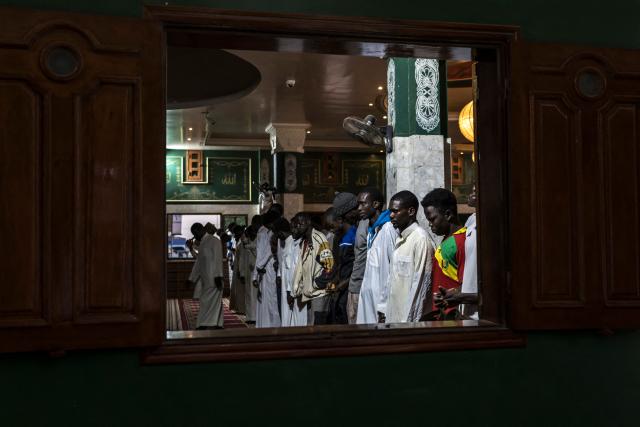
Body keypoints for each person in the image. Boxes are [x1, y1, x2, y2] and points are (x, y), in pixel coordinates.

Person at [385, 191, 432, 323]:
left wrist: (409, 324)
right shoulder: (400, 238)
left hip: (408, 322)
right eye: (390, 211)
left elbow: (421, 287)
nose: (391, 215)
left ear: (411, 211)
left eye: (395, 211)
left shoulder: (420, 240)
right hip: (394, 318)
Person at [420, 188, 466, 320]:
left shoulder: (461, 241)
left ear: (447, 214)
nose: (430, 224)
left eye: (432, 219)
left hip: (452, 315)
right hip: (441, 314)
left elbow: (465, 284)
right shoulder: (448, 239)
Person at [356, 188, 398, 324]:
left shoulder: (388, 229)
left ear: (375, 204)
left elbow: (393, 268)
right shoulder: (372, 230)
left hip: (380, 299)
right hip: (369, 296)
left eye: (363, 204)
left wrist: (384, 305)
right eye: (358, 204)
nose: (359, 208)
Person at [438, 185, 479, 319]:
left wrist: (463, 296)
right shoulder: (472, 222)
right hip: (467, 312)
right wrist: (455, 293)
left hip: (483, 315)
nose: (471, 192)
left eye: (476, 189)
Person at [290, 212, 335, 325]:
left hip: (320, 292)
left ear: (308, 223)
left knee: (319, 326)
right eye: (296, 225)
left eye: (301, 224)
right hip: (310, 293)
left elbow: (329, 266)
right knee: (312, 325)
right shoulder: (304, 242)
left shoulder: (319, 239)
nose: (298, 227)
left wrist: (316, 283)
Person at [328, 192, 359, 324]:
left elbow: (357, 266)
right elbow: (340, 264)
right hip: (342, 290)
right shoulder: (340, 238)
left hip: (351, 289)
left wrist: (341, 284)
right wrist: (335, 281)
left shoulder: (355, 234)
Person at [186, 222, 224, 329]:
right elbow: (198, 263)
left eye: (195, 232)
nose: (195, 235)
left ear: (201, 230)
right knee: (212, 303)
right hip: (206, 279)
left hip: (215, 278)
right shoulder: (203, 243)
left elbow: (218, 260)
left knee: (208, 303)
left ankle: (202, 324)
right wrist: (191, 279)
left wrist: (218, 276)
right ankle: (218, 324)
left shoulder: (214, 241)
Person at [274, 218, 307, 326]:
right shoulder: (284, 241)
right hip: (287, 283)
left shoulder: (294, 242)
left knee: (298, 316)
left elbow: (294, 269)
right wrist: (279, 274)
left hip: (294, 285)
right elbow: (281, 260)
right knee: (287, 312)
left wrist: (290, 290)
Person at [252, 210, 281, 328]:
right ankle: (265, 325)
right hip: (265, 270)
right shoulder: (267, 232)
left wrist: (258, 268)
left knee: (272, 301)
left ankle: (274, 326)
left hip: (271, 270)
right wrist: (257, 272)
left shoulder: (271, 233)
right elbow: (260, 254)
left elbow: (268, 252)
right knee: (265, 300)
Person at [347, 193, 370, 325]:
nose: (360, 209)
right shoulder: (360, 224)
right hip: (355, 284)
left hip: (362, 285)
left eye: (362, 205)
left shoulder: (367, 224)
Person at [241, 225, 258, 324]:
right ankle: (249, 316)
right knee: (248, 294)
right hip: (248, 271)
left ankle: (255, 317)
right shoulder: (248, 242)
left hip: (255, 271)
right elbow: (243, 258)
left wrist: (247, 245)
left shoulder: (256, 241)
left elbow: (256, 250)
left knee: (254, 295)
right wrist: (242, 272)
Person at [230, 225, 246, 314]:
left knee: (241, 290)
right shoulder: (239, 241)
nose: (234, 235)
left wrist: (241, 271)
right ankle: (239, 308)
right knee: (237, 289)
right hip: (237, 267)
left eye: (236, 233)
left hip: (241, 268)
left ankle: (242, 309)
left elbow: (243, 258)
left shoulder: (244, 241)